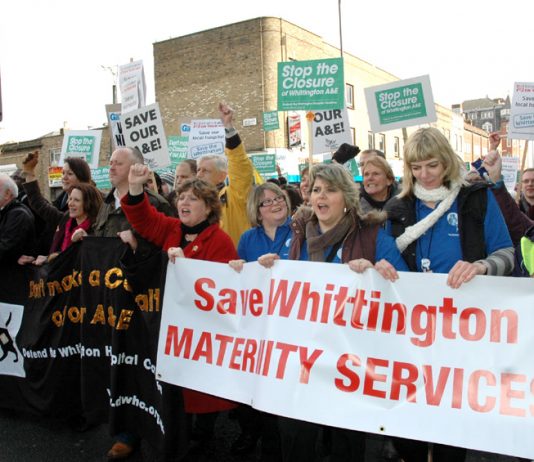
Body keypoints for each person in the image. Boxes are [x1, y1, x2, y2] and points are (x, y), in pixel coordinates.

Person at [254, 163, 407, 462]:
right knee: (297, 439)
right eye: (316, 190)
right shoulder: (296, 235)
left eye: (331, 190)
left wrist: (378, 272)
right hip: (304, 361)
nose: (320, 196)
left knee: (345, 445)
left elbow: (404, 287)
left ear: (348, 198)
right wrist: (259, 271)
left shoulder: (373, 236)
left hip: (349, 363)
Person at [381, 127, 514, 462]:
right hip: (413, 333)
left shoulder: (475, 197)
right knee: (408, 428)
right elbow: (383, 263)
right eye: (416, 168)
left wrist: (481, 267)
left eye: (432, 166)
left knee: (451, 431)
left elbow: (508, 255)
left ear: (447, 163)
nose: (424, 175)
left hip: (463, 332)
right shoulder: (397, 208)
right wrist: (377, 267)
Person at [120, 163, 238, 456]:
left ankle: (204, 435)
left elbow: (221, 290)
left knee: (203, 387)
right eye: (182, 198)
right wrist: (135, 187)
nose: (184, 203)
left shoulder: (219, 240)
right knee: (176, 388)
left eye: (193, 199)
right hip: (172, 327)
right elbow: (144, 219)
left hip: (204, 331)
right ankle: (178, 431)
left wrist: (186, 264)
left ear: (209, 208)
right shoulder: (172, 228)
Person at [196, 102, 254, 246]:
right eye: (198, 170)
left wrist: (228, 127)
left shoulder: (234, 196)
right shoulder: (191, 202)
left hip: (234, 263)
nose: (199, 175)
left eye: (206, 171)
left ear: (222, 175)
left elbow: (240, 167)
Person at [18, 182, 102, 265]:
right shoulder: (65, 220)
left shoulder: (97, 229)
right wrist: (45, 258)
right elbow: (40, 206)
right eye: (70, 199)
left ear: (88, 203)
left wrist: (87, 239)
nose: (70, 204)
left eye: (76, 200)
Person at [0, 173, 36, 265]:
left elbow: (6, 249)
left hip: (16, 275)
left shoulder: (18, 215)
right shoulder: (7, 212)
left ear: (7, 194)